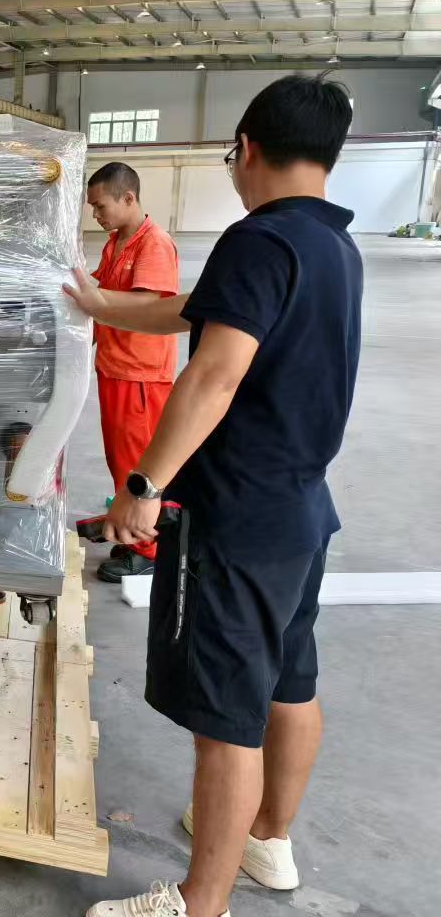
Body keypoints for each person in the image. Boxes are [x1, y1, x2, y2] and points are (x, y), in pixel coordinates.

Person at [66, 76, 363, 917]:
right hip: (301, 507)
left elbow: (213, 374)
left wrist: (144, 486)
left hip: (237, 513)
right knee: (289, 684)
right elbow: (192, 313)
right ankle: (268, 840)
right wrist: (97, 302)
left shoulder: (258, 238)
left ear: (248, 148)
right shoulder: (332, 245)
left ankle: (200, 904)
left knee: (228, 717)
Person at [84, 162, 180, 583]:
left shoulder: (153, 244)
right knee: (118, 459)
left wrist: (91, 299)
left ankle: (148, 549)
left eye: (100, 206)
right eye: (92, 208)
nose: (96, 215)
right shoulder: (115, 243)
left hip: (140, 374)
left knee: (138, 462)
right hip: (114, 366)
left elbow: (150, 305)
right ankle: (129, 529)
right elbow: (99, 302)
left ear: (128, 198)